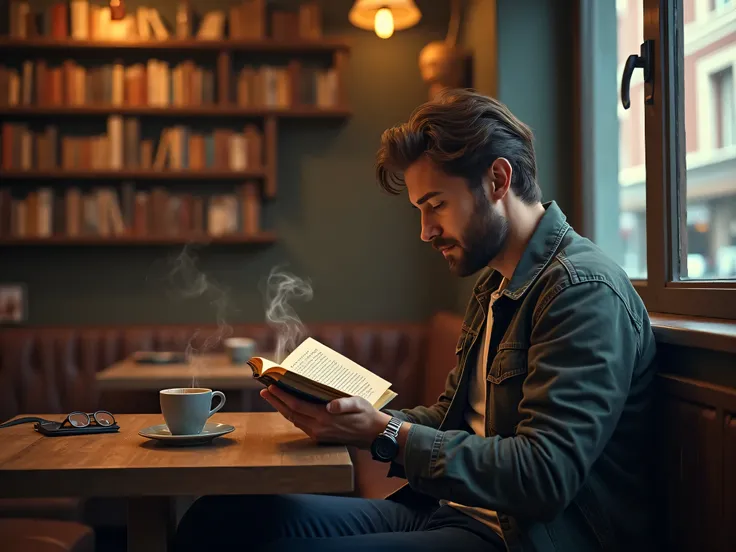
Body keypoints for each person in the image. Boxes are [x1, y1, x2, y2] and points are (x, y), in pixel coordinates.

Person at [174, 89, 658, 552]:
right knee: (218, 519)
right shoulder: (494, 285)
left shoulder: (581, 291)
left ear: (497, 180)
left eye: (436, 206)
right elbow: (454, 416)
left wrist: (385, 434)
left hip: (518, 539)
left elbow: (544, 475)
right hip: (452, 512)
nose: (426, 231)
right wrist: (351, 417)